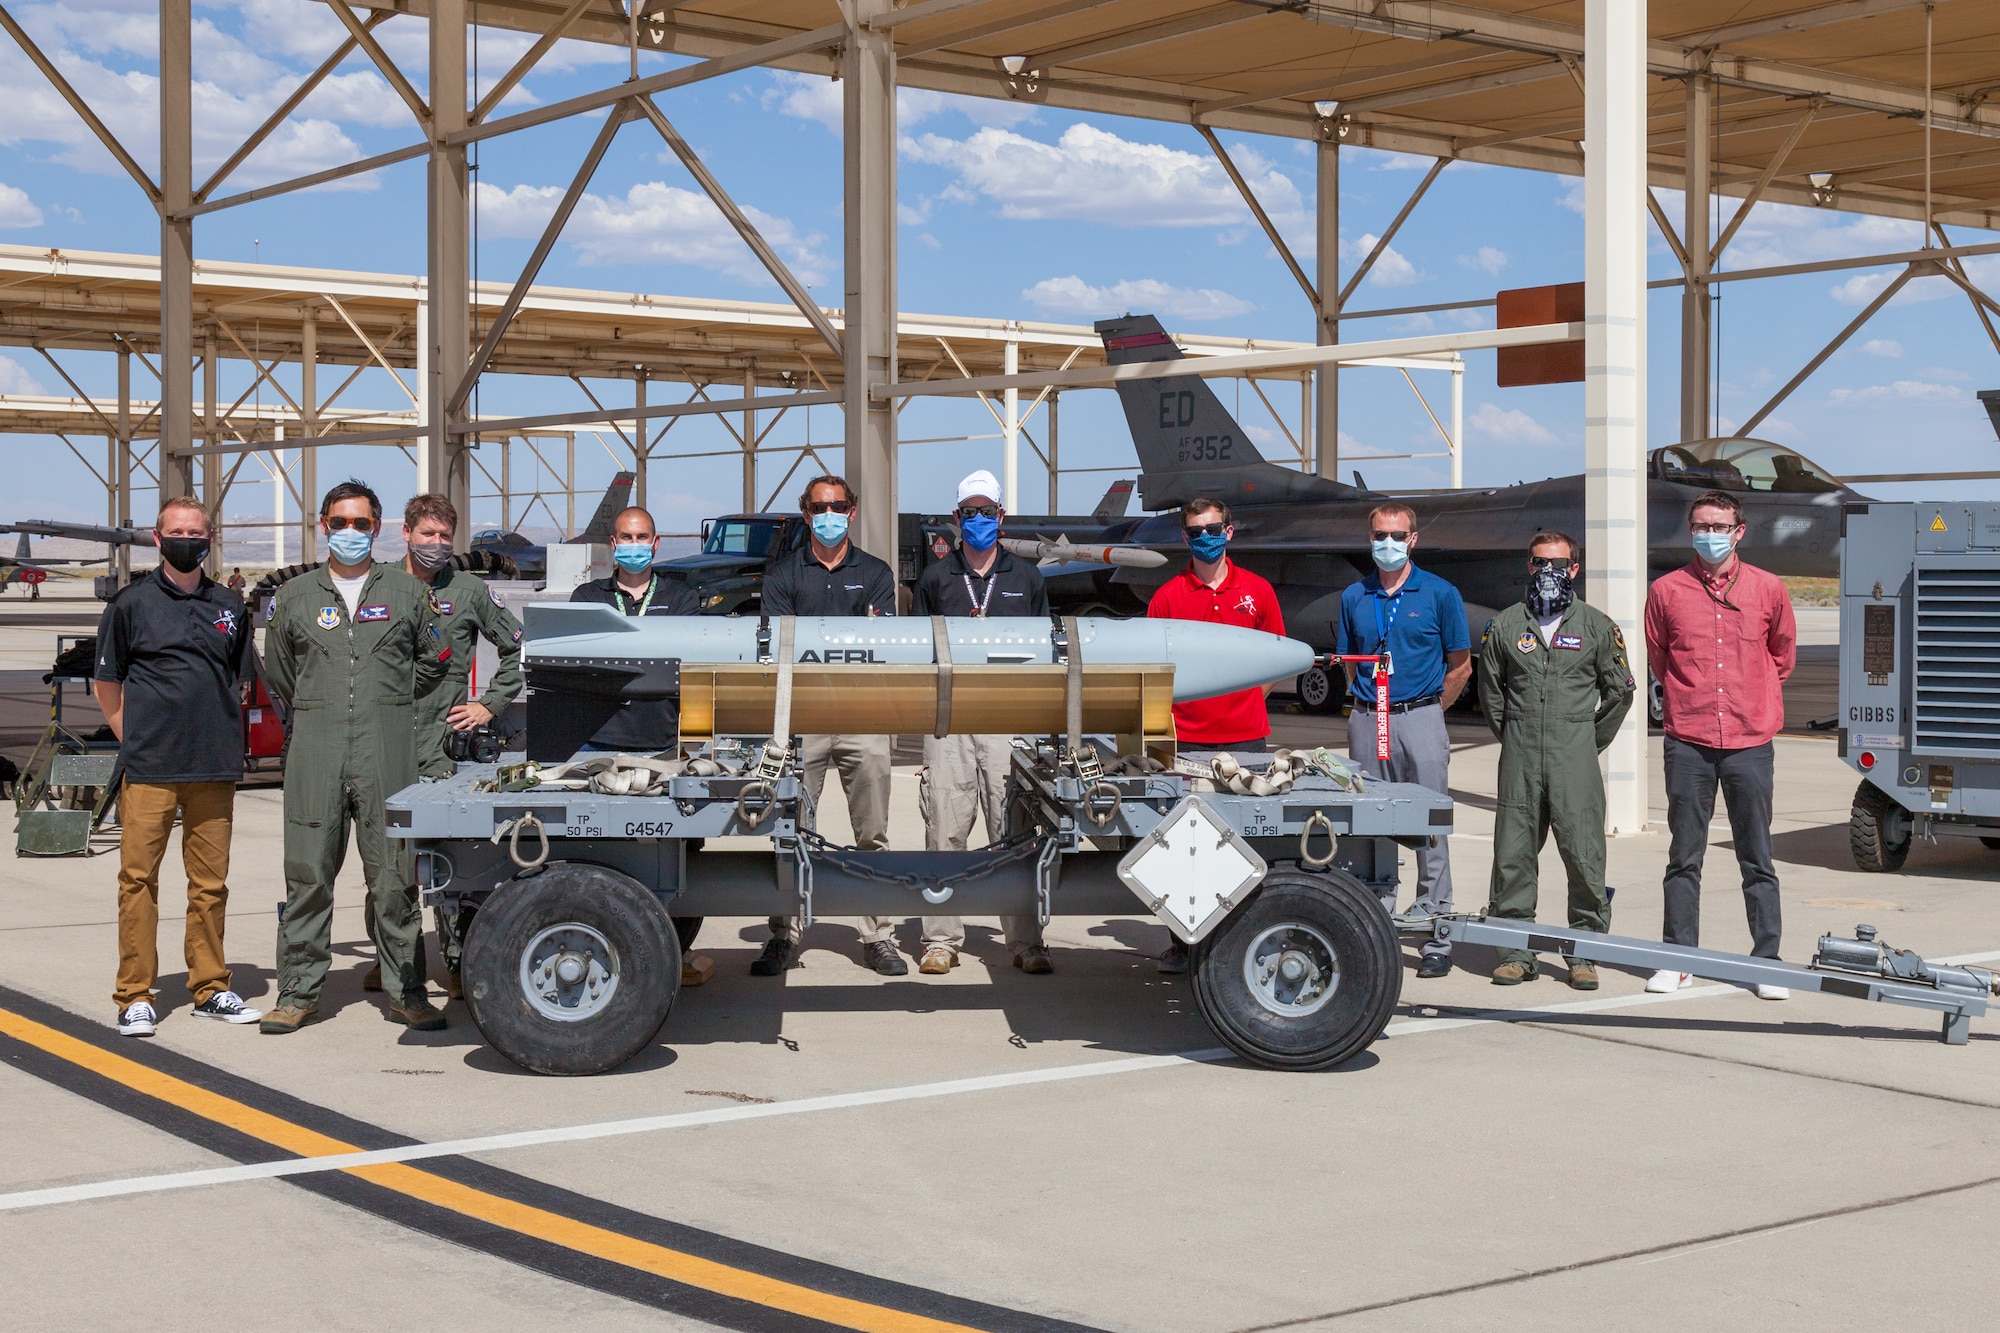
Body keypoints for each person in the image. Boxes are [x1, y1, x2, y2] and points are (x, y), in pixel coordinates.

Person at [261, 480, 449, 1034]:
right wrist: (321, 707)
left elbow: (435, 659)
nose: (350, 532)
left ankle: (407, 993)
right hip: (315, 749)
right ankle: (297, 994)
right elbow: (279, 672)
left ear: (378, 528)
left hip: (386, 749)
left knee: (394, 879)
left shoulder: (409, 594)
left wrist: (387, 702)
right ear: (323, 525)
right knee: (308, 873)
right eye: (340, 522)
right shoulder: (294, 598)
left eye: (361, 524)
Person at [93, 496, 261, 1035]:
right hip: (150, 768)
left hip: (213, 765)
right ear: (158, 537)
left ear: (210, 538)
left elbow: (236, 682)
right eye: (178, 531)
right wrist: (136, 739)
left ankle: (211, 986)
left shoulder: (229, 605)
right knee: (138, 881)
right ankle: (135, 995)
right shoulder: (130, 605)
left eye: (197, 531)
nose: (188, 539)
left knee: (209, 885)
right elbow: (106, 683)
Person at [1643, 490, 1797, 999]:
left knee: (1757, 855)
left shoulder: (1768, 589)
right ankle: (1679, 958)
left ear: (1739, 531)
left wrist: (1748, 697)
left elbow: (1782, 657)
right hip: (1689, 740)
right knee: (1684, 855)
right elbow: (1661, 658)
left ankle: (1767, 962)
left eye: (1719, 525)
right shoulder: (1666, 591)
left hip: (1750, 739)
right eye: (1700, 525)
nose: (1709, 534)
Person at [753, 474, 906, 977]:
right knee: (790, 829)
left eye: (838, 506)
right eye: (820, 507)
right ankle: (785, 934)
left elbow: (882, 647)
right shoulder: (782, 575)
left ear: (852, 512)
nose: (829, 515)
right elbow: (780, 648)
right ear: (806, 514)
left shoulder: (877, 573)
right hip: (801, 721)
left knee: (874, 832)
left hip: (864, 716)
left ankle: (878, 935)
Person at [909, 469, 1053, 976]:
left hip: (1007, 721)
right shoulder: (935, 579)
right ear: (956, 518)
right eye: (968, 513)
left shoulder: (1027, 578)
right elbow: (917, 653)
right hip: (949, 721)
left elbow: (1043, 654)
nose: (977, 521)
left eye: (985, 512)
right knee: (945, 827)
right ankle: (940, 939)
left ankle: (1025, 940)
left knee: (1013, 826)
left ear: (1001, 516)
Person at [1477, 530, 1636, 990]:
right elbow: (1491, 694)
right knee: (1512, 855)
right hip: (1520, 755)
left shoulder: (1597, 627)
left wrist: (1586, 740)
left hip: (1575, 757)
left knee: (1584, 855)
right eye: (1540, 562)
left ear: (1575, 569)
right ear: (1529, 566)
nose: (1550, 572)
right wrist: (1515, 736)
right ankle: (1513, 952)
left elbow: (1621, 692)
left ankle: (1584, 953)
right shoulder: (1506, 626)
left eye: (1559, 563)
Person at [568, 505, 711, 985]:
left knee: (677, 850)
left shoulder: (681, 598)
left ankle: (676, 951)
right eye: (625, 537)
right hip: (598, 744)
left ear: (656, 543)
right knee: (597, 849)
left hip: (663, 744)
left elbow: (689, 668)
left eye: (642, 537)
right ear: (613, 544)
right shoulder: (587, 597)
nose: (633, 544)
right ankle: (606, 944)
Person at [1145, 495, 1284, 975]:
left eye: (1213, 528)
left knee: (1248, 841)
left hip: (1247, 741)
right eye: (1195, 531)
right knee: (1184, 844)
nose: (1205, 537)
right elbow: (1154, 671)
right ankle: (1185, 945)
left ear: (1229, 531)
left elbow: (1275, 655)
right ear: (1185, 537)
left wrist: (1245, 703)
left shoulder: (1258, 591)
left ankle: (1242, 941)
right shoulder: (1167, 597)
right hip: (1188, 743)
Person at [1335, 501, 1471, 978]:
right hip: (1369, 718)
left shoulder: (1439, 593)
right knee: (1370, 826)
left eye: (1396, 536)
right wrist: (1375, 708)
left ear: (1413, 539)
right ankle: (1375, 926)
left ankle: (1436, 929)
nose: (1386, 544)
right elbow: (1353, 659)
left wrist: (1428, 713)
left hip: (1420, 717)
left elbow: (1460, 664)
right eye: (1378, 535)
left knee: (1429, 825)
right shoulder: (1355, 595)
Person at [400, 491, 523, 999]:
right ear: (406, 533)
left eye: (445, 537)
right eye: (427, 534)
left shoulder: (469, 591)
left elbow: (517, 647)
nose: (436, 544)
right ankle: (398, 962)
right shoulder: (376, 585)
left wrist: (489, 705)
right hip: (383, 738)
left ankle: (457, 965)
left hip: (442, 744)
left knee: (454, 862)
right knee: (388, 862)